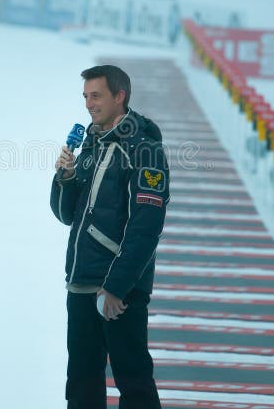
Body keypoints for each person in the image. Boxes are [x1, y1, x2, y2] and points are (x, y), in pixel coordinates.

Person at [50, 65, 169, 409]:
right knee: (82, 386)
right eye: (86, 96)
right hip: (82, 283)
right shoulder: (92, 142)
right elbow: (67, 215)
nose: (88, 103)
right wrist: (66, 178)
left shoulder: (145, 150)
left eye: (96, 95)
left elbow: (146, 228)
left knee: (134, 385)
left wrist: (117, 287)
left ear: (120, 96)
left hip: (119, 294)